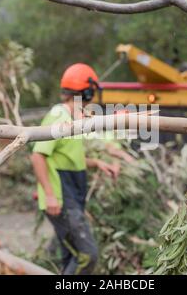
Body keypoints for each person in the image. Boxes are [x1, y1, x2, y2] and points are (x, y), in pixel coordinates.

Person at [30, 63, 119, 275]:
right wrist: (51, 196)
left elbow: (67, 157)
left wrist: (97, 163)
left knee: (70, 256)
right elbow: (37, 155)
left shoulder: (71, 119)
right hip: (62, 199)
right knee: (87, 255)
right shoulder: (58, 116)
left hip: (71, 197)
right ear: (87, 91)